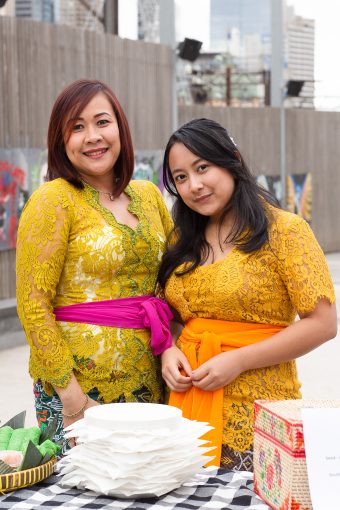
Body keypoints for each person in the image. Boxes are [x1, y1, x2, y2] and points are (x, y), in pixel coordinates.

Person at [158, 118, 337, 471]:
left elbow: (323, 324)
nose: (194, 185)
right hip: (186, 407)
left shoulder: (285, 231)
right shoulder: (181, 240)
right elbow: (174, 317)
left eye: (202, 168)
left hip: (260, 415)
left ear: (233, 160)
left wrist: (238, 360)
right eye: (180, 177)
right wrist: (168, 351)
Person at [16, 79, 173, 451]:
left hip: (152, 379)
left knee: (148, 487)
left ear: (120, 127)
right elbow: (33, 304)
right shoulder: (52, 200)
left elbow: (174, 277)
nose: (92, 136)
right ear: (61, 140)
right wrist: (72, 398)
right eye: (77, 127)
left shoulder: (149, 195)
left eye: (102, 122)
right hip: (77, 389)